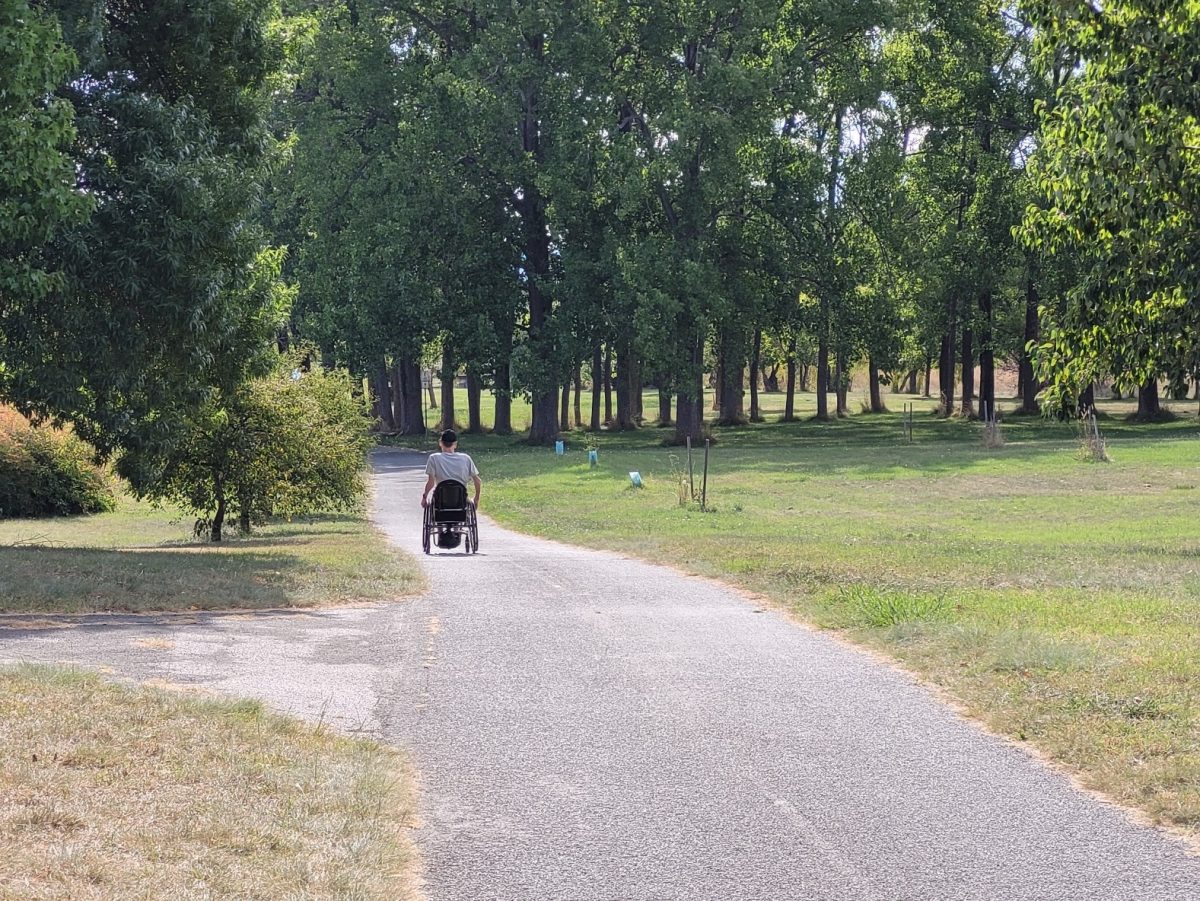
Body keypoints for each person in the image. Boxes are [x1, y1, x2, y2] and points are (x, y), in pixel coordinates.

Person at [420, 429, 482, 511]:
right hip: (460, 499)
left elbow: (431, 482)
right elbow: (477, 481)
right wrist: (476, 498)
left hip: (441, 500)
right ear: (455, 444)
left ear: (440, 443)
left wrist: (425, 496)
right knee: (468, 502)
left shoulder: (434, 458)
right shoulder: (466, 458)